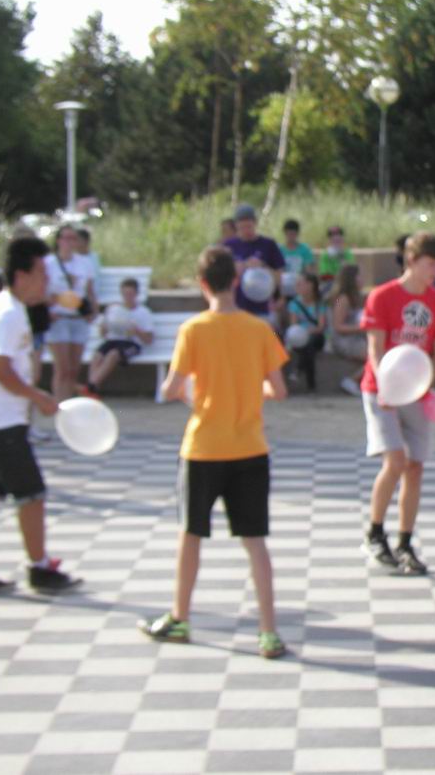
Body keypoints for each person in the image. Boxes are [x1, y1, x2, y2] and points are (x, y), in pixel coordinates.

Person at [139, 246, 289, 659]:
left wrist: (194, 394)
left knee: (191, 535)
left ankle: (181, 617)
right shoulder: (258, 329)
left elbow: (171, 388)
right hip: (250, 447)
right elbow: (278, 390)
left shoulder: (193, 330)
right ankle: (269, 632)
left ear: (202, 283)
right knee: (255, 541)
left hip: (203, 448)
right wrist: (250, 391)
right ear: (236, 281)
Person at [0, 236, 80, 593]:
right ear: (21, 275)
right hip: (0, 423)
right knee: (32, 494)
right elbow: (1, 371)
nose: (47, 280)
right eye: (42, 272)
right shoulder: (8, 314)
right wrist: (37, 396)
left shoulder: (6, 308)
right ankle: (39, 567)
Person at [360, 231, 435, 576]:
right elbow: (375, 348)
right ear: (411, 261)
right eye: (430, 264)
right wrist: (386, 385)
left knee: (415, 467)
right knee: (395, 460)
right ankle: (374, 533)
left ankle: (405, 542)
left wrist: (425, 384)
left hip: (416, 391)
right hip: (381, 389)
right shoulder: (382, 297)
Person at [44, 224, 99, 403]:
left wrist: (93, 310)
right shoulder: (48, 263)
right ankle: (58, 404)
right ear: (58, 240)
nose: (69, 242)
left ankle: (68, 403)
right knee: (62, 368)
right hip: (58, 318)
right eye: (66, 238)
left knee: (74, 370)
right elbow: (41, 291)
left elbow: (90, 290)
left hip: (78, 318)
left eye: (73, 238)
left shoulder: (85, 263)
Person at [80, 277, 154, 398]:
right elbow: (103, 334)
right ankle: (92, 389)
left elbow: (149, 339)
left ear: (136, 294)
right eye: (125, 294)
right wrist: (106, 324)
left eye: (130, 294)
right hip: (113, 340)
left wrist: (136, 331)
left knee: (113, 354)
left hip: (132, 343)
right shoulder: (114, 310)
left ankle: (90, 387)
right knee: (98, 355)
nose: (127, 297)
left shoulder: (143, 312)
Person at [222, 204, 285, 324]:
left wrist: (263, 267)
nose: (246, 231)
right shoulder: (229, 246)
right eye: (242, 227)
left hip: (263, 307)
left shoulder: (268, 244)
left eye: (249, 226)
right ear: (236, 226)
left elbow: (279, 275)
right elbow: (222, 276)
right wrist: (241, 266)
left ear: (255, 223)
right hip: (236, 306)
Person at [328, 263, 367, 396]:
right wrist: (362, 327)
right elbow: (337, 326)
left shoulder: (355, 297)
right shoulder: (342, 298)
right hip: (343, 341)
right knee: (377, 355)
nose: (363, 279)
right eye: (360, 276)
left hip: (355, 339)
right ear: (352, 279)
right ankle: (352, 380)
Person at [287, 273, 326, 393]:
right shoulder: (294, 304)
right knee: (308, 349)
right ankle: (311, 384)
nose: (297, 286)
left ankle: (298, 370)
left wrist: (308, 331)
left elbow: (320, 327)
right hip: (300, 337)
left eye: (300, 284)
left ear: (310, 285)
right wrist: (302, 333)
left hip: (316, 336)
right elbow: (294, 326)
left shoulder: (319, 303)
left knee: (311, 342)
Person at [317, 225, 356, 293]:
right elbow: (325, 275)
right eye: (332, 236)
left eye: (339, 235)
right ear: (329, 239)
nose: (336, 238)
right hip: (330, 285)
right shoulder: (325, 255)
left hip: (346, 284)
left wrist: (340, 257)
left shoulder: (347, 253)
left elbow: (351, 271)